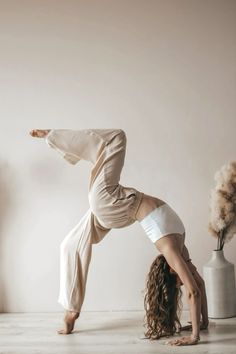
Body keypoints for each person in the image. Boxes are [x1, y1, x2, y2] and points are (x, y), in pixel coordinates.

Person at [30, 128, 208, 346]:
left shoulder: (170, 248)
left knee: (116, 138)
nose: (185, 281)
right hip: (118, 207)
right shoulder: (180, 248)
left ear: (172, 269)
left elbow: (194, 291)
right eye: (183, 281)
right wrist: (205, 322)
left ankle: (52, 136)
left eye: (179, 281)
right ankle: (71, 310)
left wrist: (194, 336)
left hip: (114, 204)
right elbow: (199, 285)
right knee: (70, 244)